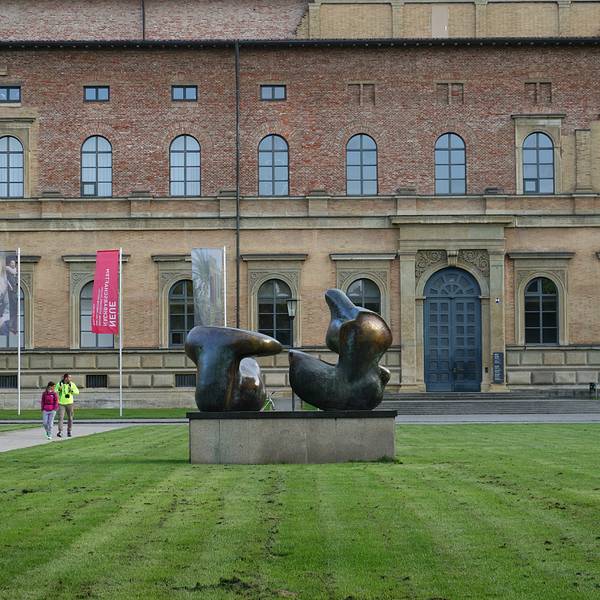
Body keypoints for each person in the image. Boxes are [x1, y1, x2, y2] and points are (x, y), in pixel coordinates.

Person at [56, 373, 79, 438]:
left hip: (70, 403)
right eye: (69, 377)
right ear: (66, 378)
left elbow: (77, 392)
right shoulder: (59, 384)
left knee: (70, 418)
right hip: (61, 403)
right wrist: (59, 389)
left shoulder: (72, 384)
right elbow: (54, 391)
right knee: (60, 418)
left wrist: (71, 390)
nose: (70, 379)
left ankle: (69, 431)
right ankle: (60, 431)